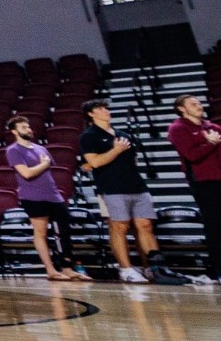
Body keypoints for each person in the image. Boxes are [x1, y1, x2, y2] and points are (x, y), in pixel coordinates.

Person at [79, 100, 187, 285]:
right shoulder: (89, 136)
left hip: (136, 185)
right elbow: (94, 162)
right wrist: (116, 150)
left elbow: (133, 161)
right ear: (91, 114)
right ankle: (126, 269)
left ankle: (153, 267)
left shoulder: (123, 134)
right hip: (111, 188)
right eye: (100, 109)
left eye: (106, 108)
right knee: (119, 227)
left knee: (145, 226)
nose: (106, 111)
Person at [5, 116, 91, 282]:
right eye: (24, 127)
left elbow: (45, 170)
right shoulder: (13, 150)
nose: (28, 129)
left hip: (53, 195)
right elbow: (26, 173)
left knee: (63, 231)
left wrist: (44, 166)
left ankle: (67, 268)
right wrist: (44, 165)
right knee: (41, 233)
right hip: (33, 197)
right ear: (14, 131)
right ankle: (50, 269)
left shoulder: (40, 148)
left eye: (28, 126)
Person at [165, 95, 221, 286]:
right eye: (193, 104)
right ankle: (218, 269)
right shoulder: (178, 128)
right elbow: (191, 155)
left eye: (199, 103)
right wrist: (210, 143)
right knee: (215, 226)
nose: (199, 106)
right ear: (181, 109)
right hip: (204, 182)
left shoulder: (213, 127)